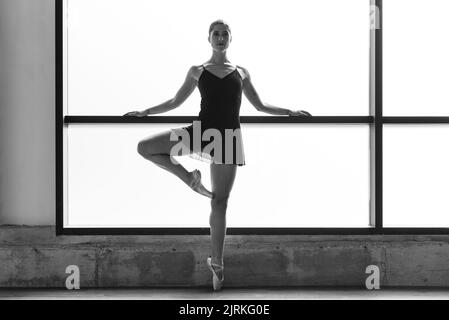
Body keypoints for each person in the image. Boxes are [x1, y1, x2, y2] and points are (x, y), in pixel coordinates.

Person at [124, 19, 311, 291]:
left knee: (220, 203)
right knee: (146, 147)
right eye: (216, 34)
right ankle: (189, 178)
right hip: (201, 132)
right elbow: (175, 101)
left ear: (230, 39)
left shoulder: (242, 72)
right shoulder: (197, 71)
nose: (220, 37)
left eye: (225, 34)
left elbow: (260, 106)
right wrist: (145, 112)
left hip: (228, 139)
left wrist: (290, 112)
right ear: (209, 38)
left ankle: (218, 265)